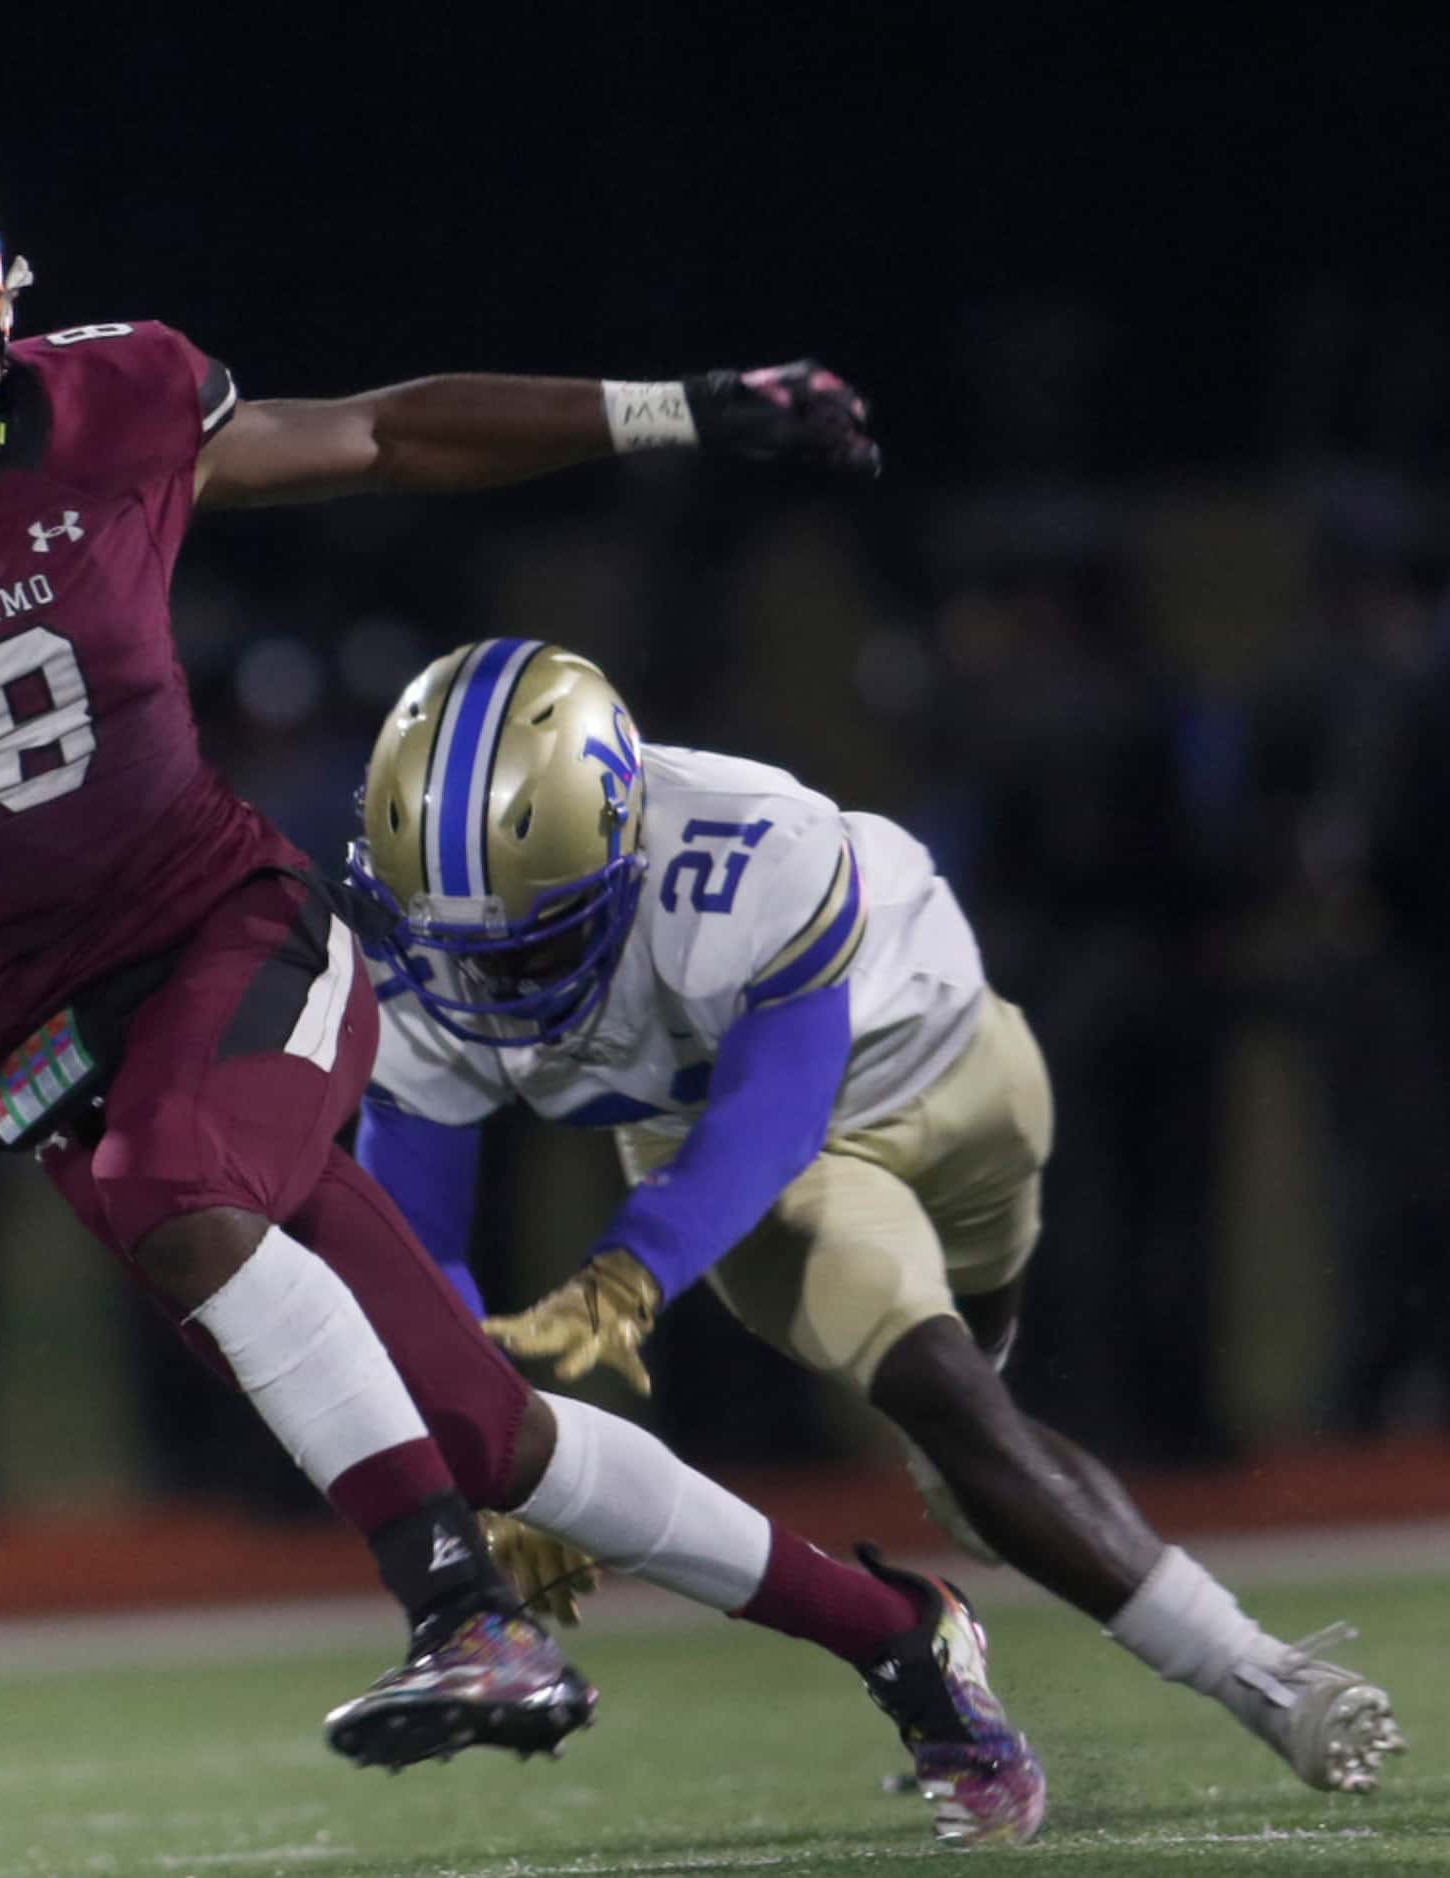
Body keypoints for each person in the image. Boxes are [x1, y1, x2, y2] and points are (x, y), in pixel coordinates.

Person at [0, 114, 1042, 1847]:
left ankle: (464, 1616)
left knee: (176, 1184)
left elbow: (381, 430)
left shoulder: (115, 401)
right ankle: (904, 1636)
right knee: (500, 1433)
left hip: (227, 927)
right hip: (25, 1026)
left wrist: (676, 407)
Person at [347, 637, 1408, 1799]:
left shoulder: (749, 843)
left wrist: (632, 1271)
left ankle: (986, 1471)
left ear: (623, 836)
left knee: (979, 1397)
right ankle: (1256, 1675)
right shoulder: (416, 960)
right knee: (939, 1387)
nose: (492, 988)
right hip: (716, 1145)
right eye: (464, 948)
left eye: (536, 938)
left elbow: (779, 1104)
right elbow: (411, 1252)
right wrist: (485, 1478)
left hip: (942, 1077)